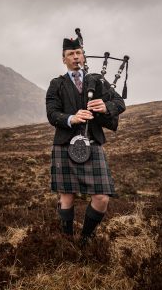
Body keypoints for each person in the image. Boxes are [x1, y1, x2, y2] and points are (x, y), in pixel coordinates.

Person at [45, 37, 126, 245]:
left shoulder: (96, 80)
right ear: (63, 59)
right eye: (70, 54)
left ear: (83, 55)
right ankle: (67, 241)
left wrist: (106, 106)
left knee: (102, 198)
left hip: (92, 143)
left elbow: (119, 102)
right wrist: (72, 118)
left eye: (78, 53)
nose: (75, 57)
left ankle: (85, 239)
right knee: (67, 198)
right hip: (65, 144)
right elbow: (52, 114)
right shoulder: (57, 84)